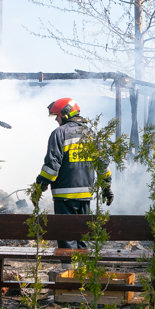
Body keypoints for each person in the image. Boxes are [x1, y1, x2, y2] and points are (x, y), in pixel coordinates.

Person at [35, 97, 114, 249]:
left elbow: (52, 166)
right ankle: (82, 271)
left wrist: (40, 186)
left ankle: (69, 271)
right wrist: (106, 188)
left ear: (65, 113)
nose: (56, 120)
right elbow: (102, 164)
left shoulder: (59, 133)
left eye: (57, 116)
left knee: (66, 237)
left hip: (64, 196)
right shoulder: (91, 134)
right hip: (85, 196)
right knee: (82, 235)